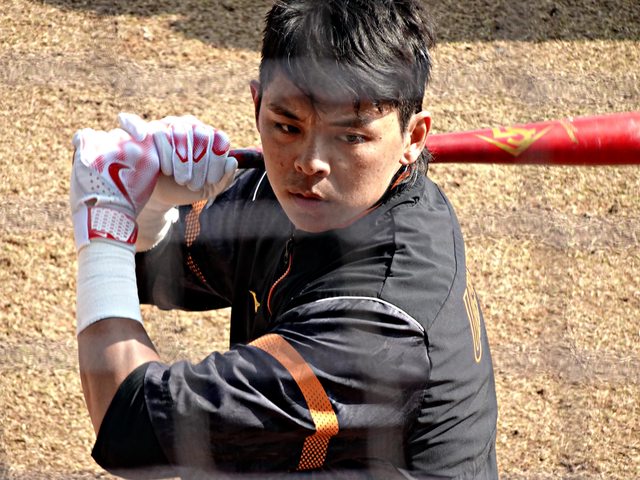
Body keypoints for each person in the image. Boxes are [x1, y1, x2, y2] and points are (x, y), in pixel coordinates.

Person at [70, 0, 498, 478]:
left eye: (351, 136)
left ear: (413, 138)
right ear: (257, 106)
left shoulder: (376, 326)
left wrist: (104, 222)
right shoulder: (308, 196)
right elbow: (149, 269)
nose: (309, 162)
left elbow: (130, 424)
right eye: (287, 126)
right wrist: (152, 208)